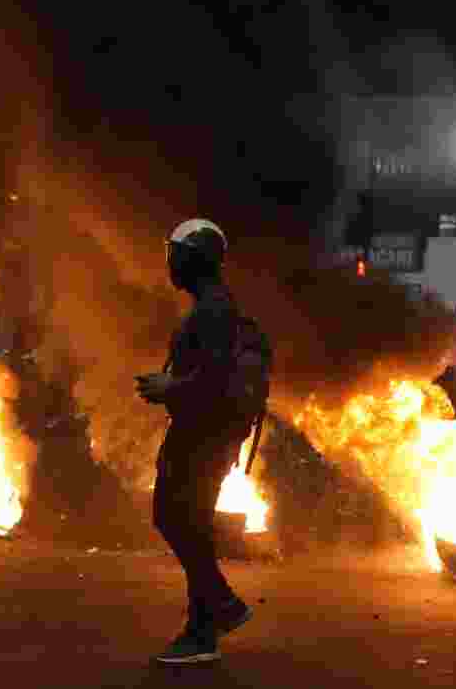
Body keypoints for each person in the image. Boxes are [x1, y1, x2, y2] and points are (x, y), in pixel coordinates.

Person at [136, 218, 259, 664]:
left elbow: (214, 379)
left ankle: (221, 607)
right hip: (206, 434)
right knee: (190, 525)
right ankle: (202, 630)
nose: (170, 264)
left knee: (174, 518)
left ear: (194, 258)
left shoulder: (213, 311)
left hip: (203, 437)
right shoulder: (213, 306)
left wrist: (169, 387)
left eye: (176, 255)